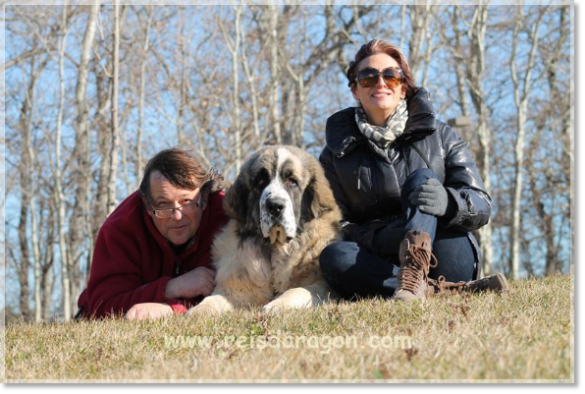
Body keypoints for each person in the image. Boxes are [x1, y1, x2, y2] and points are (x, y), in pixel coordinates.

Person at [318, 39, 508, 301]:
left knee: (422, 178)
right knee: (332, 256)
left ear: (403, 86)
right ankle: (440, 290)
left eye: (391, 76)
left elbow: (482, 205)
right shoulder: (335, 154)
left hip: (444, 249)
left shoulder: (441, 135)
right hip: (380, 260)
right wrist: (384, 238)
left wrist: (449, 203)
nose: (380, 84)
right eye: (367, 78)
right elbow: (334, 223)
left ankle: (416, 277)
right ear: (354, 90)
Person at [76, 148, 229, 320]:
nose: (177, 216)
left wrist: (171, 309)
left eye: (187, 202)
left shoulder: (227, 218)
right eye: (163, 204)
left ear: (205, 198)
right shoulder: (120, 229)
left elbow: (242, 293)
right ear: (148, 206)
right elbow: (102, 307)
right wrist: (171, 288)